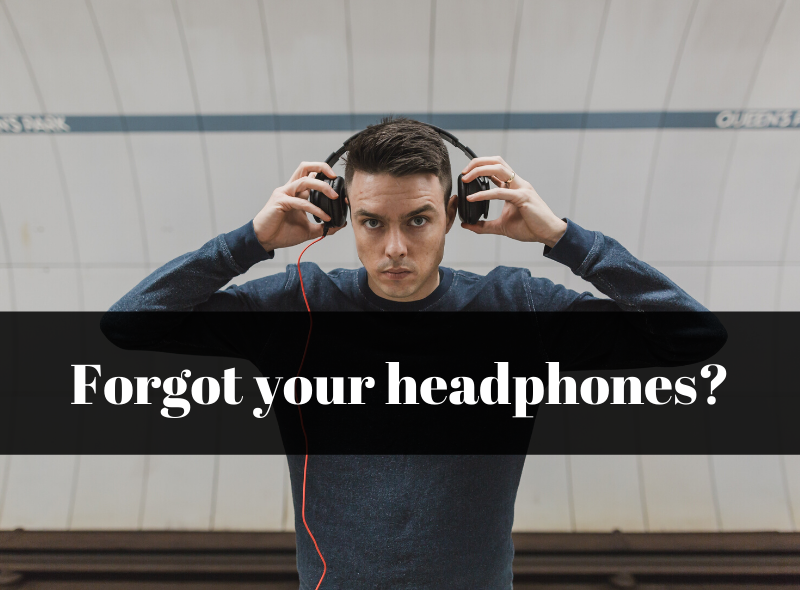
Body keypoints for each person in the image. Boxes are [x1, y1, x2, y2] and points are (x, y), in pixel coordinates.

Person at [102, 117, 726, 589]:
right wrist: (248, 242)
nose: (395, 247)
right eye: (373, 223)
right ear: (343, 217)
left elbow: (694, 336)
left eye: (419, 221)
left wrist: (564, 238)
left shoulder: (516, 307)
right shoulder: (298, 305)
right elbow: (128, 325)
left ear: (456, 214)